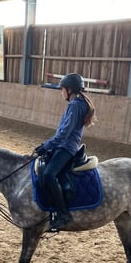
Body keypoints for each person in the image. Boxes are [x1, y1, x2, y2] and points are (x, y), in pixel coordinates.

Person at [34, 73, 96, 231]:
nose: (61, 92)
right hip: (63, 145)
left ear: (69, 90)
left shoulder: (75, 105)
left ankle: (63, 215)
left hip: (66, 147)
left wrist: (46, 146)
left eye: (62, 89)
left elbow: (64, 134)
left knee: (48, 174)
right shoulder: (78, 103)